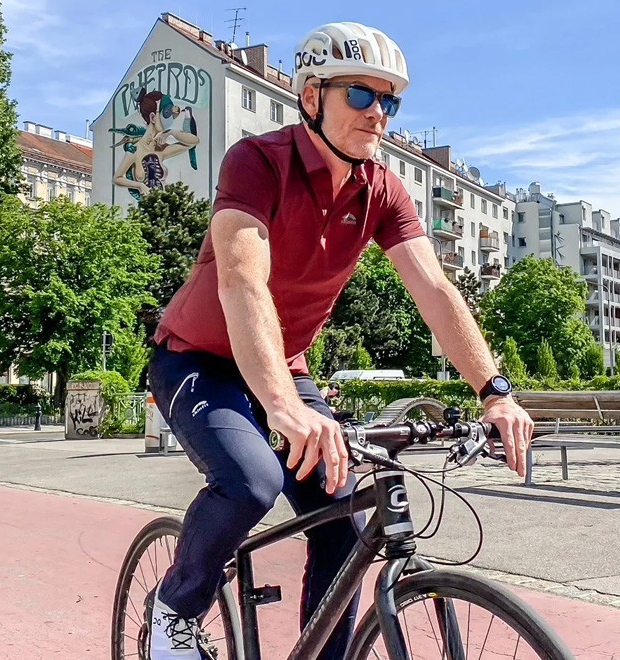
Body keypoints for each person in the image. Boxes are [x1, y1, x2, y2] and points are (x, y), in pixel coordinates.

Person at [146, 21, 534, 659]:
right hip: (198, 358)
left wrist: (494, 391)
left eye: (390, 101)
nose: (378, 112)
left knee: (348, 519)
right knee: (251, 481)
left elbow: (434, 289)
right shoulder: (257, 161)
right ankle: (176, 608)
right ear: (310, 97)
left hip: (284, 365)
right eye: (360, 94)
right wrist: (283, 408)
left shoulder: (381, 188)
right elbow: (243, 280)